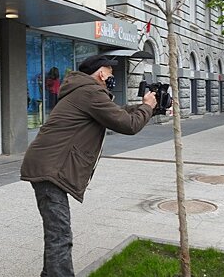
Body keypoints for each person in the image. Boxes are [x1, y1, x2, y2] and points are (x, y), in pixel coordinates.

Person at [21, 55, 157, 277]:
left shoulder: (84, 90)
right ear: (101, 73)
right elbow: (128, 124)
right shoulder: (90, 93)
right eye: (110, 71)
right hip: (49, 168)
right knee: (60, 234)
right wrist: (146, 108)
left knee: (56, 233)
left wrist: (146, 107)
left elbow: (118, 112)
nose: (112, 75)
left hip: (48, 165)